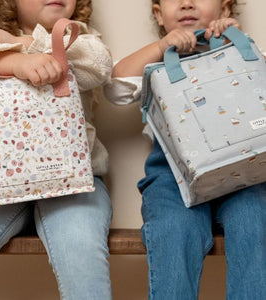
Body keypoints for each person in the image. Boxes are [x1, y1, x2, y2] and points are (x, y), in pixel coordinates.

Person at [105, 0, 266, 299]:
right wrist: (160, 46)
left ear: (225, 9)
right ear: (158, 14)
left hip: (245, 175)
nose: (187, 2)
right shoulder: (156, 67)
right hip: (172, 180)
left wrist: (241, 43)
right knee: (172, 231)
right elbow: (115, 87)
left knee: (254, 221)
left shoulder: (242, 51)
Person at [0, 0, 113, 299]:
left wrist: (21, 43)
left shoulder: (79, 38)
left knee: (82, 253)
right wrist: (13, 62)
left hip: (75, 185)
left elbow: (98, 66)